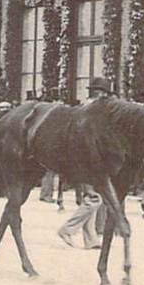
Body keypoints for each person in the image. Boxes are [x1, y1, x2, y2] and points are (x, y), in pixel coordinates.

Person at [57, 78, 113, 248]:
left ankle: (91, 240)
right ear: (101, 93)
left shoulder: (85, 109)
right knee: (94, 198)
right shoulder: (93, 112)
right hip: (87, 160)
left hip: (82, 160)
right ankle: (67, 229)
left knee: (91, 198)